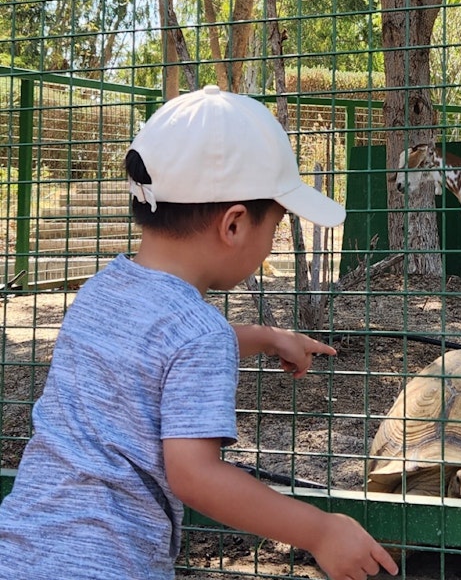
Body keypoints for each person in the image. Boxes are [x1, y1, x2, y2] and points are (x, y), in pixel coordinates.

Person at [0, 85, 399, 580]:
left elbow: (156, 354)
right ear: (233, 225)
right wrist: (320, 531)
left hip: (21, 545)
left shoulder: (103, 288)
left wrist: (270, 337)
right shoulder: (198, 332)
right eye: (274, 226)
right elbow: (195, 476)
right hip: (110, 563)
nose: (271, 244)